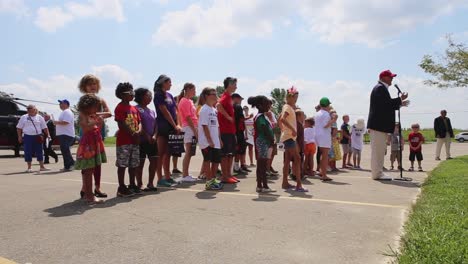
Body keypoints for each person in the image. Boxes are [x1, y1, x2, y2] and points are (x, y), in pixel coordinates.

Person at [367, 70, 409, 180]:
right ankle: (377, 174)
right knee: (378, 151)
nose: (392, 79)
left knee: (379, 151)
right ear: (383, 77)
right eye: (390, 77)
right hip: (378, 126)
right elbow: (385, 105)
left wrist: (399, 103)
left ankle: (378, 172)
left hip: (379, 126)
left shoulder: (381, 88)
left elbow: (386, 105)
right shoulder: (380, 88)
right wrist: (399, 100)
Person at [78, 74, 112, 197]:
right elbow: (82, 116)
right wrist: (93, 117)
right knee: (87, 161)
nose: (92, 86)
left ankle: (97, 188)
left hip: (99, 131)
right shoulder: (83, 101)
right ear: (84, 86)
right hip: (87, 132)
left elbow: (109, 113)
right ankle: (85, 188)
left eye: (94, 84)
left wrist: (98, 114)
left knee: (97, 162)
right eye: (89, 84)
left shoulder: (100, 100)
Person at [74, 94, 107, 204]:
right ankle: (89, 196)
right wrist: (95, 121)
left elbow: (96, 129)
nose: (97, 109)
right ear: (88, 105)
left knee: (92, 169)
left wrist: (100, 124)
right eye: (96, 106)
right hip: (88, 144)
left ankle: (88, 195)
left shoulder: (93, 114)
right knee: (88, 170)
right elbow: (86, 128)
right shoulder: (83, 114)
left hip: (95, 142)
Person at [114, 82, 142, 197]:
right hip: (124, 141)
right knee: (122, 164)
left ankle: (132, 184)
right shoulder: (120, 107)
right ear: (122, 95)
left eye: (133, 92)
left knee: (133, 164)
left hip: (135, 141)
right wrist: (132, 133)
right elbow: (121, 124)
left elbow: (139, 122)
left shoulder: (133, 108)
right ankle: (121, 187)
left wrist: (139, 131)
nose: (132, 94)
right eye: (130, 92)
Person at [153, 75, 181, 187]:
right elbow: (165, 112)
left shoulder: (169, 95)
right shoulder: (158, 95)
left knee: (168, 153)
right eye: (169, 82)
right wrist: (175, 125)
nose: (171, 84)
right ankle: (160, 178)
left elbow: (176, 110)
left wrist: (178, 124)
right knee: (161, 153)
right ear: (163, 83)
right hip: (163, 126)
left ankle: (168, 177)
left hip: (172, 127)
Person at [279, 86, 307, 191]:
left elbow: (279, 119)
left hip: (288, 137)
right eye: (295, 97)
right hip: (289, 137)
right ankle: (298, 184)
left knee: (287, 161)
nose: (296, 99)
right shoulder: (288, 107)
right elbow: (282, 119)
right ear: (290, 97)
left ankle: (285, 183)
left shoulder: (288, 107)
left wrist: (283, 130)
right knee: (297, 158)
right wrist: (292, 130)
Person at [249, 96, 276, 193]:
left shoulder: (263, 116)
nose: (269, 106)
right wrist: (271, 139)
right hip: (262, 142)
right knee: (262, 165)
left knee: (261, 165)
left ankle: (260, 186)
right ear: (260, 105)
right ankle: (264, 186)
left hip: (263, 142)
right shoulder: (260, 117)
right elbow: (264, 128)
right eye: (267, 104)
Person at [198, 88, 223, 190]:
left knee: (216, 161)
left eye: (215, 93)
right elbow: (204, 126)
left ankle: (213, 179)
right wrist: (209, 140)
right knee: (207, 161)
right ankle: (208, 181)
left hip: (215, 141)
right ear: (206, 96)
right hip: (207, 141)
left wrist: (219, 139)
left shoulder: (214, 110)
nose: (215, 95)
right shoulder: (204, 109)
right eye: (212, 94)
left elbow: (217, 126)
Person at [134, 88, 158, 192]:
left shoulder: (152, 111)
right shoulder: (136, 109)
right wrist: (147, 135)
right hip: (141, 140)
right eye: (148, 95)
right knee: (140, 163)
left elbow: (156, 124)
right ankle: (139, 184)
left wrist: (155, 136)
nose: (150, 97)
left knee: (154, 161)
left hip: (153, 140)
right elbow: (138, 124)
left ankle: (151, 183)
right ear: (141, 96)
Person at [217, 77, 239, 184]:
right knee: (225, 154)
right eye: (234, 84)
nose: (236, 86)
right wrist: (228, 117)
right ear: (229, 85)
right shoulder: (225, 97)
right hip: (225, 130)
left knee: (230, 154)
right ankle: (224, 176)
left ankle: (229, 174)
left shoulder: (229, 97)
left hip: (231, 130)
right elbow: (218, 105)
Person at [16, 105, 50, 173]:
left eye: (31, 110)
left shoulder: (39, 117)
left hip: (38, 136)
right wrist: (19, 136)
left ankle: (42, 167)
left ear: (35, 110)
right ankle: (29, 167)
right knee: (28, 151)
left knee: (39, 151)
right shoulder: (24, 117)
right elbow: (19, 128)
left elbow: (45, 127)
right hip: (27, 136)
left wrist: (48, 135)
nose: (30, 112)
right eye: (28, 110)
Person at [177, 83, 198, 182]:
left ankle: (186, 174)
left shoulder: (190, 101)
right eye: (193, 89)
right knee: (188, 151)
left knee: (191, 151)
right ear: (188, 89)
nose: (195, 92)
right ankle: (185, 175)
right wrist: (195, 130)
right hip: (189, 128)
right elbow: (188, 117)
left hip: (193, 127)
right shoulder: (184, 101)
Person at [314, 97, 335, 181]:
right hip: (324, 135)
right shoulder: (326, 114)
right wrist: (333, 120)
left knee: (322, 154)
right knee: (325, 155)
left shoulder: (317, 113)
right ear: (327, 105)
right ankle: (324, 175)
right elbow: (326, 125)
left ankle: (321, 171)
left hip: (318, 135)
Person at [54, 99, 75, 172]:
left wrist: (56, 122)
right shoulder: (64, 112)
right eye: (60, 104)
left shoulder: (67, 112)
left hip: (66, 134)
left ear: (66, 104)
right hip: (64, 134)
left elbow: (66, 122)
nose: (60, 105)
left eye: (61, 103)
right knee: (65, 150)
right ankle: (69, 165)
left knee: (65, 150)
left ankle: (70, 165)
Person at [232, 93, 250, 174]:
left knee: (238, 149)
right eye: (240, 99)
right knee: (239, 149)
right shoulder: (237, 106)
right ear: (235, 98)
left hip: (234, 130)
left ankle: (237, 166)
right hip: (238, 131)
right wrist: (249, 117)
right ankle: (236, 167)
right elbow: (241, 119)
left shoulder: (231, 107)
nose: (241, 101)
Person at [265, 103, 279, 176]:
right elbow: (271, 124)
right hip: (268, 136)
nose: (271, 106)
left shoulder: (271, 113)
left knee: (273, 153)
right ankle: (267, 169)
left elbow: (275, 124)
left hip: (272, 135)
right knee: (269, 154)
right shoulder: (267, 113)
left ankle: (269, 167)